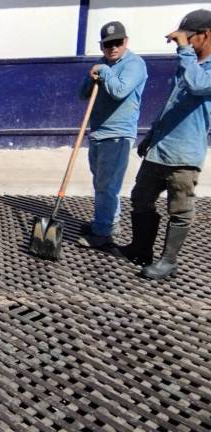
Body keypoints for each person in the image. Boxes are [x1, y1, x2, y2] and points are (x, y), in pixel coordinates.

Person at [119, 9, 211, 280]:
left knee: (180, 210)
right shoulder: (188, 63)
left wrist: (183, 50)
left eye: (189, 38)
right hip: (161, 149)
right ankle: (141, 248)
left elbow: (196, 85)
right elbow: (170, 104)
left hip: (184, 157)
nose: (185, 44)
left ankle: (169, 260)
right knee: (141, 199)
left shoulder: (199, 69)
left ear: (206, 35)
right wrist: (150, 136)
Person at [77, 21, 148, 248]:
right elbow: (82, 94)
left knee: (107, 185)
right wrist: (91, 77)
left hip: (117, 135)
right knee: (101, 182)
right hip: (98, 133)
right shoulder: (104, 65)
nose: (113, 48)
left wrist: (104, 70)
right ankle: (107, 222)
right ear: (102, 46)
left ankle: (103, 233)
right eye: (108, 45)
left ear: (126, 41)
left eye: (117, 43)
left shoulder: (134, 65)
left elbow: (119, 91)